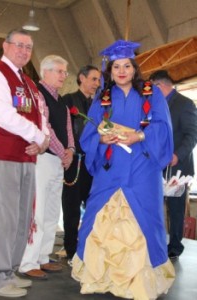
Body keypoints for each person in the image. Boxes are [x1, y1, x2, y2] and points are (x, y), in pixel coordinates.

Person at [71, 40, 175, 299]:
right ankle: (102, 277)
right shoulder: (102, 97)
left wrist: (139, 136)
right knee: (99, 215)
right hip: (111, 167)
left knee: (143, 218)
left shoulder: (151, 93)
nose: (121, 71)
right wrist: (101, 138)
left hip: (142, 165)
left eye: (126, 66)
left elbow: (163, 127)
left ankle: (139, 282)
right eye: (116, 66)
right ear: (110, 70)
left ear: (134, 68)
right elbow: (91, 130)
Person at [0, 29, 50, 298]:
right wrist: (37, 136)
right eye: (18, 45)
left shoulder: (28, 83)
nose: (23, 50)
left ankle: (8, 272)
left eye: (29, 47)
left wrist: (42, 141)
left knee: (21, 219)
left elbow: (41, 115)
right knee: (3, 220)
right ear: (5, 46)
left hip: (26, 156)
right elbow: (3, 115)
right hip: (0, 155)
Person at [19, 55, 75, 279]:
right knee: (38, 212)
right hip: (41, 160)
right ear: (46, 72)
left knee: (52, 212)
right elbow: (45, 127)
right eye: (59, 71)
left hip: (57, 161)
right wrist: (64, 152)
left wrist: (70, 149)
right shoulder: (37, 95)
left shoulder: (60, 100)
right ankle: (27, 261)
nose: (63, 76)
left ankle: (43, 256)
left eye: (65, 72)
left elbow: (68, 126)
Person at [149, 70, 197, 260]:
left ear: (160, 85)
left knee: (176, 209)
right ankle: (156, 242)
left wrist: (178, 155)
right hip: (155, 166)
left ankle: (175, 247)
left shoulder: (185, 103)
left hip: (177, 168)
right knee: (154, 205)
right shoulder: (153, 105)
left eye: (151, 88)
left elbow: (192, 135)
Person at [62, 65, 100, 264]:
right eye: (93, 79)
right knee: (72, 208)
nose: (97, 83)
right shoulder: (68, 100)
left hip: (94, 163)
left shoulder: (100, 104)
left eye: (98, 80)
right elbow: (64, 130)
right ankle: (70, 250)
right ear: (81, 78)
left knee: (94, 207)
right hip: (75, 162)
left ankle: (90, 247)